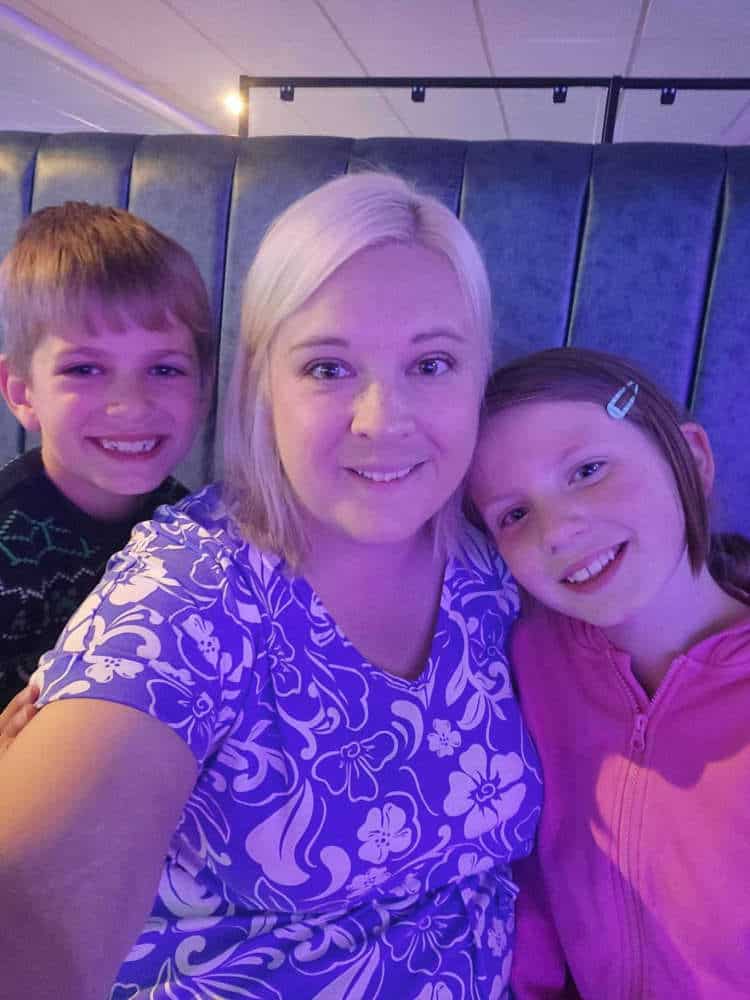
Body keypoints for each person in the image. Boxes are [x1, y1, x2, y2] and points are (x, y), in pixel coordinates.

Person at [0, 173, 542, 1000]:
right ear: (261, 386)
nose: (382, 419)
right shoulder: (191, 587)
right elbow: (37, 903)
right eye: (328, 367)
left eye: (432, 363)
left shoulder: (503, 563)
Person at [468, 346, 750, 1000]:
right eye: (514, 514)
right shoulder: (529, 657)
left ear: (692, 459)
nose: (558, 532)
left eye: (588, 471)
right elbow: (529, 867)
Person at [0, 202, 214, 712]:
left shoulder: (189, 530)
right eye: (84, 369)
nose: (131, 405)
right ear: (22, 392)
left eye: (164, 370)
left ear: (203, 388)